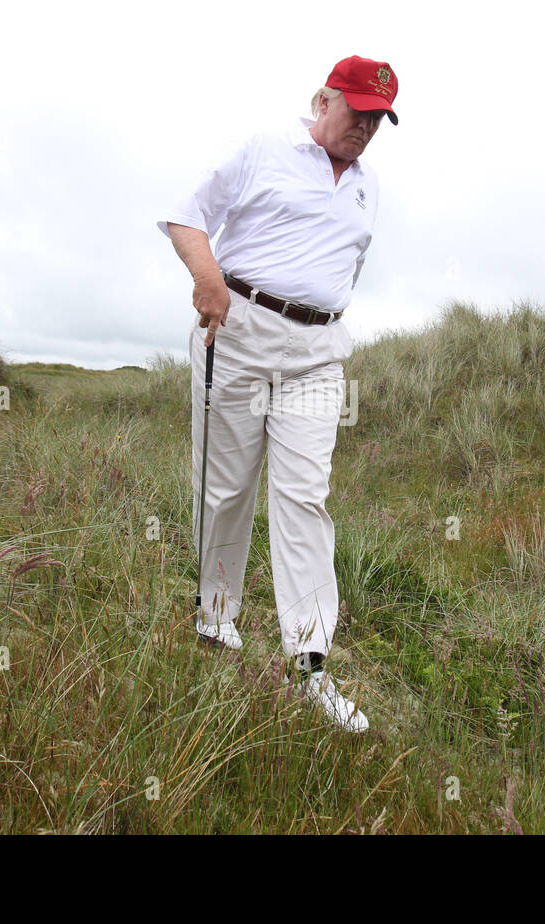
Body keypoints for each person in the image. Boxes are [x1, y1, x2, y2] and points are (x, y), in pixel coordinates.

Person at [157, 55, 399, 733]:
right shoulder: (265, 150)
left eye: (378, 119)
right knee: (227, 489)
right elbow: (185, 216)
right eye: (358, 113)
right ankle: (215, 623)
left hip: (319, 351)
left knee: (304, 498)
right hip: (237, 327)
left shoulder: (367, 185)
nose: (366, 129)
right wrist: (208, 279)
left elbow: (345, 264)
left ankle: (309, 666)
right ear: (322, 99)